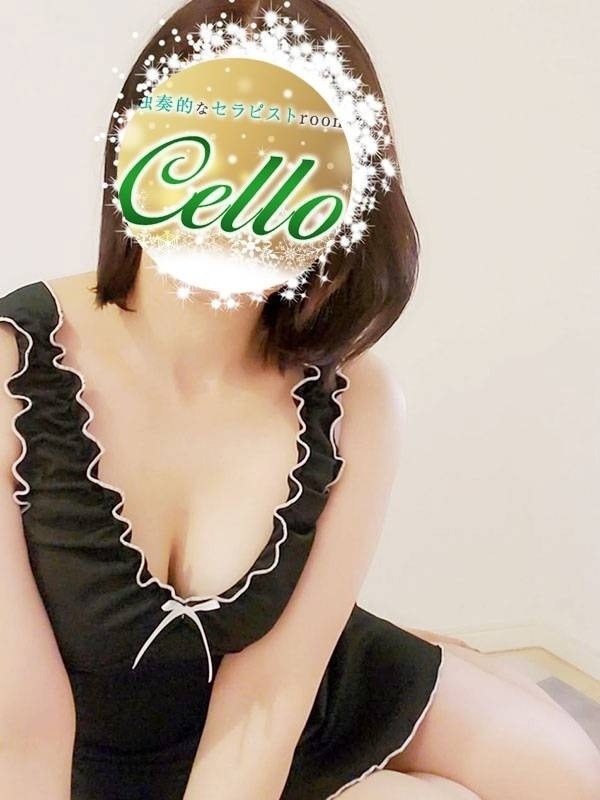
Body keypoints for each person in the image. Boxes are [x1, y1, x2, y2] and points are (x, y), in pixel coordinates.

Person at [1, 2, 599, 799]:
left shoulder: (358, 398)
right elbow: (23, 734)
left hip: (302, 698)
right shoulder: (13, 368)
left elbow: (269, 701)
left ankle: (435, 658)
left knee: (566, 772)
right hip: (94, 749)